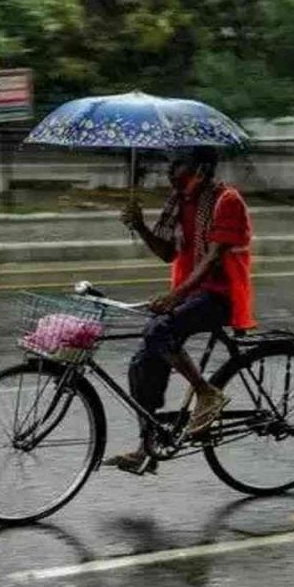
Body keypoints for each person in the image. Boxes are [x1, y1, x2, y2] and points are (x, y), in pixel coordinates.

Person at [103, 146, 256, 475]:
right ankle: (148, 448)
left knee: (158, 331)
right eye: (170, 165)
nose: (171, 172)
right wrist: (141, 226)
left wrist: (175, 296)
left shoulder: (226, 200)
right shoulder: (180, 201)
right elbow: (167, 254)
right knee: (143, 361)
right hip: (193, 294)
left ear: (200, 168)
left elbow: (213, 257)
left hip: (221, 294)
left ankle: (206, 393)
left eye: (179, 165)